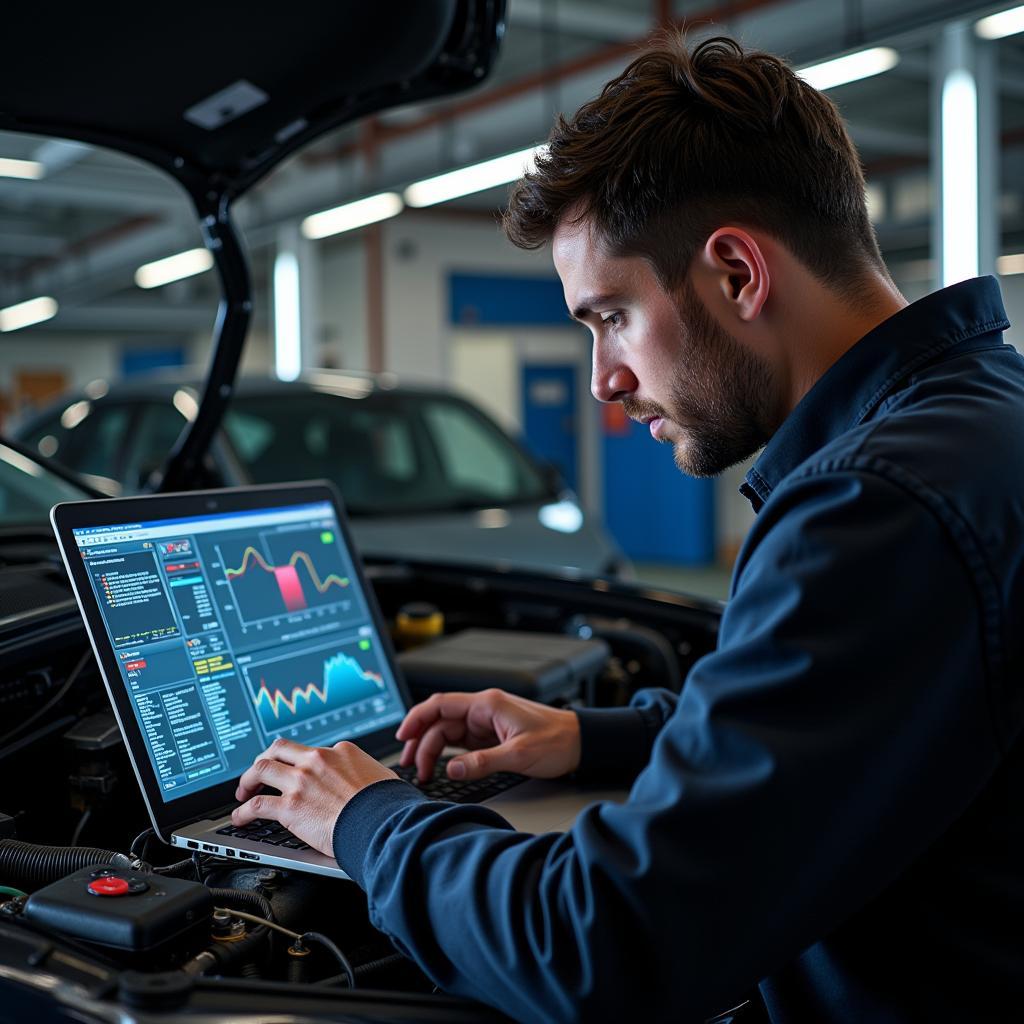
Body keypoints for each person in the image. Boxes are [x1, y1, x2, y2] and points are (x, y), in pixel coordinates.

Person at [231, 34, 1024, 1023]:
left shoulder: (877, 505)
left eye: (609, 316)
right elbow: (853, 727)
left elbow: (602, 946)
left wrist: (365, 816)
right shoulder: (981, 412)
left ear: (736, 272)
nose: (604, 378)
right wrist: (591, 737)